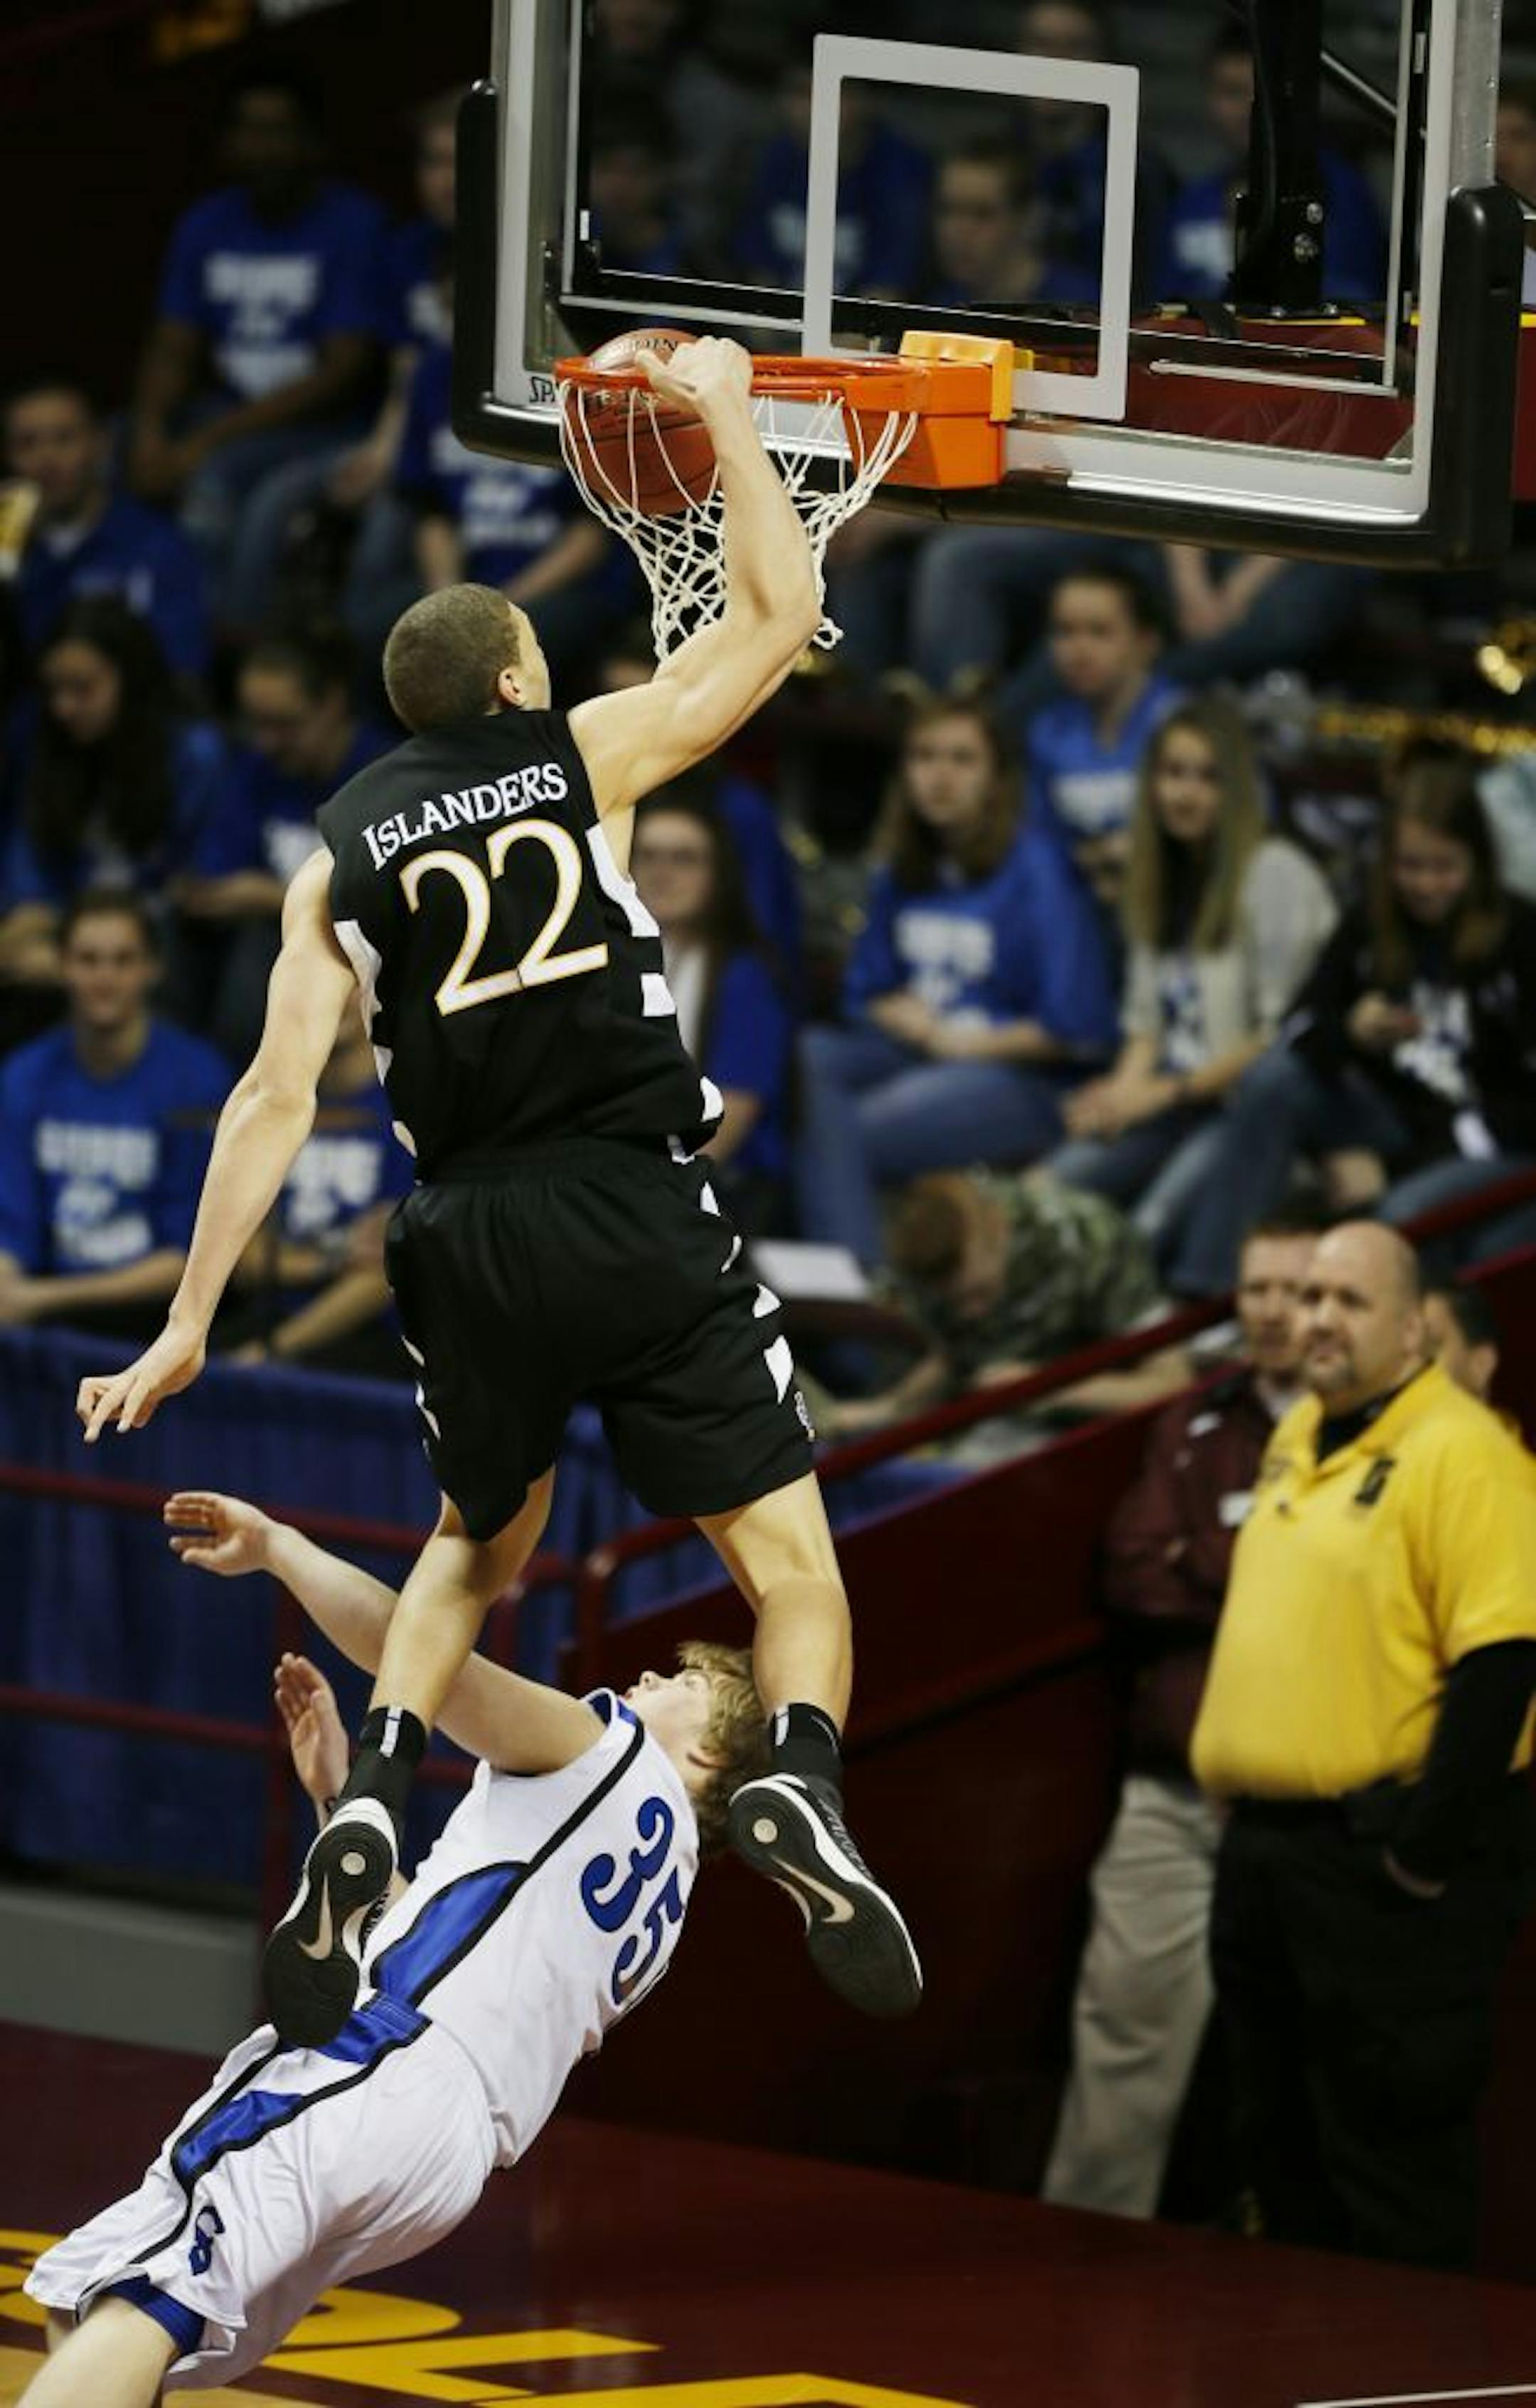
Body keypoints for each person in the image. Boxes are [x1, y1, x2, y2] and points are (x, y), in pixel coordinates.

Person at [75, 337, 922, 2045]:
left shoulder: (331, 866)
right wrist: (721, 417)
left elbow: (269, 1094)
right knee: (791, 1569)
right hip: (628, 1190)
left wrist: (183, 1320)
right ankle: (807, 1785)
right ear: (521, 680)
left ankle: (379, 1787)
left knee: (478, 1540)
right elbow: (765, 619)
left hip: (461, 1228)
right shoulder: (583, 753)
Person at [21, 1483, 766, 2407]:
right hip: (445, 2154)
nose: (647, 1680)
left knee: (144, 2289)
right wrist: (336, 1791)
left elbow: (423, 1647)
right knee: (112, 2297)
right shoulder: (669, 1892)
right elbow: (434, 1927)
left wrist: (284, 1549)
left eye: (683, 1683)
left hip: (382, 2060)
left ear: (707, 1761)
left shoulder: (610, 1752)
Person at [1193, 1222, 1536, 2268]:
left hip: (1378, 1855)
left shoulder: (1465, 1450)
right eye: (1309, 1300)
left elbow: (1505, 1659)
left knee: (1387, 2151)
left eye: (1348, 1302)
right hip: (1268, 1850)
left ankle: (1412, 2379)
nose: (1316, 1320)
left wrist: (1420, 1853)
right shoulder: (1299, 1429)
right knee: (1277, 2142)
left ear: (1416, 1326)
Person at [1041, 1214, 1316, 2219]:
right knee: (1119, 2052)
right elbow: (1132, 1569)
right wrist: (1255, 1568)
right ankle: (1079, 2285)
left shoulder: (1372, 1431)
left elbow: (1331, 1601)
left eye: (1302, 1290)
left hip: (1312, 1807)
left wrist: (1214, 1556)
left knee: (1311, 2071)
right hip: (1173, 1793)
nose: (1278, 1311)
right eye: (1258, 1288)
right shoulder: (1197, 1418)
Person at [1174, 744, 1536, 1296]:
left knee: (1394, 1217)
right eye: (1410, 866)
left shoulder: (1521, 934)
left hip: (1492, 1142)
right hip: (1392, 1116)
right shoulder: (1371, 921)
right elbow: (1294, 1032)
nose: (1425, 884)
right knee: (1272, 1082)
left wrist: (1396, 1166)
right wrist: (1351, 1031)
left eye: (1444, 867)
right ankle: (1209, 1294)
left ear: (1477, 861)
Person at [794, 696, 1118, 1270]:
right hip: (920, 1051)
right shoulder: (904, 864)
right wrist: (905, 1018)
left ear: (997, 777)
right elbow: (866, 991)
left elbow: (1076, 1027)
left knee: (845, 1134)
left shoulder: (1040, 869)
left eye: (962, 759)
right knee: (809, 1055)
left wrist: (963, 1044)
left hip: (1018, 1074)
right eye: (924, 756)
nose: (939, 776)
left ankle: (862, 1290)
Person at [1043, 696, 1336, 1277]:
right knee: (1047, 1191)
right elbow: (1146, 1026)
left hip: (1241, 1114)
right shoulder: (1157, 875)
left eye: (1207, 776)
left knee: (1143, 1231)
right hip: (1173, 1103)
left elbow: (1283, 1038)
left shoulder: (1277, 874)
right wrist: (1116, 1098)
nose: (1185, 793)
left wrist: (1161, 1093)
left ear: (1237, 789)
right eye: (1173, 773)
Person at [127, 65, 387, 635]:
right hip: (224, 410)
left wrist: (203, 443)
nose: (264, 147)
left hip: (324, 427)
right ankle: (132, 628)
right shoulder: (207, 222)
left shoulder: (355, 223)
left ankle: (224, 647)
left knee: (221, 482)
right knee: (108, 449)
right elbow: (173, 345)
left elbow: (342, 373)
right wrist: (150, 432)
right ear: (227, 142)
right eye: (249, 130)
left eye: (280, 130)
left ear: (313, 141)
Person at [0, 892, 228, 1342]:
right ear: (60, 965)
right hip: (46, 1323)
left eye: (124, 960)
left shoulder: (198, 1079)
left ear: (152, 969)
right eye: (88, 960)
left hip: (159, 1323)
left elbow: (190, 1258)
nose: (105, 978)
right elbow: (12, 1228)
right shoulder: (24, 1077)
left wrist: (39, 1299)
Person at [174, 625, 392, 1066]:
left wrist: (274, 896)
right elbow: (212, 881)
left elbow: (396, 902)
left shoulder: (388, 776)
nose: (265, 742)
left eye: (283, 724)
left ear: (332, 703)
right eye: (256, 724)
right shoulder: (256, 772)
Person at [818, 1165, 1166, 1439]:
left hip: (1097, 1428)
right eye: (955, 1303)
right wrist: (887, 1411)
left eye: (980, 1294)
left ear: (999, 1228)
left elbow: (1171, 1381)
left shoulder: (1088, 1241)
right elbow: (952, 1357)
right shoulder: (929, 1260)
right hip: (995, 1418)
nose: (973, 1314)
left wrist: (1048, 1386)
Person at [0, 600, 228, 991]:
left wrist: (89, 965)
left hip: (163, 934)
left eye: (82, 689)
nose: (63, 707)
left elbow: (197, 884)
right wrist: (22, 931)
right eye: (54, 689)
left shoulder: (194, 753)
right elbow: (31, 876)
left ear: (130, 680)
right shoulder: (51, 751)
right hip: (71, 929)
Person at [629, 787, 794, 1235]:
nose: (662, 873)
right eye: (648, 855)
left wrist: (640, 1192)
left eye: (684, 859)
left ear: (718, 874)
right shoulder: (603, 960)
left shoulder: (747, 978)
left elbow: (729, 1122)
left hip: (709, 1190)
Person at [225, 1015, 412, 1373]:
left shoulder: (407, 1110)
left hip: (372, 1336)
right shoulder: (274, 1100)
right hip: (272, 1311)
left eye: (349, 983)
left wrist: (271, 1352)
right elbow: (247, 1261)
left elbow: (384, 1277)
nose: (335, 998)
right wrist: (338, 1259)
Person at [1151, 26, 1387, 306]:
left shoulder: (1343, 192)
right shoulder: (1191, 202)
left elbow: (1364, 302)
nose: (1248, 108)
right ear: (1208, 98)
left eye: (1261, 92)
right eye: (1232, 91)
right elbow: (1164, 308)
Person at [4, 375, 210, 682]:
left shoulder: (155, 544)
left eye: (64, 439)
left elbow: (183, 669)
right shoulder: (10, 546)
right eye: (27, 444)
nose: (46, 460)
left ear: (101, 443)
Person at [1023, 565, 1179, 919]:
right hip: (1080, 913)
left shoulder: (1183, 725)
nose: (1078, 650)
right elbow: (1036, 844)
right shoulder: (1048, 731)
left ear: (1146, 642)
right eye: (1064, 631)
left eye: (1099, 632)